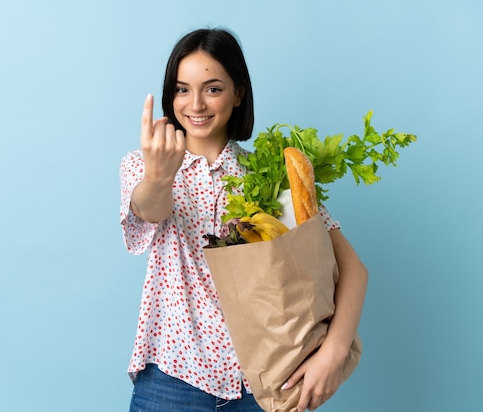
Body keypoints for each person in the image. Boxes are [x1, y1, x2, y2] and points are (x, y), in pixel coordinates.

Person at [119, 27, 368, 412]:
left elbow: (353, 268)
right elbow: (151, 208)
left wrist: (334, 353)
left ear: (239, 93)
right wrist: (158, 175)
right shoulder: (143, 166)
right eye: (182, 89)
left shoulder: (269, 176)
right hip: (172, 381)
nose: (196, 104)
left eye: (213, 88)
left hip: (265, 384)